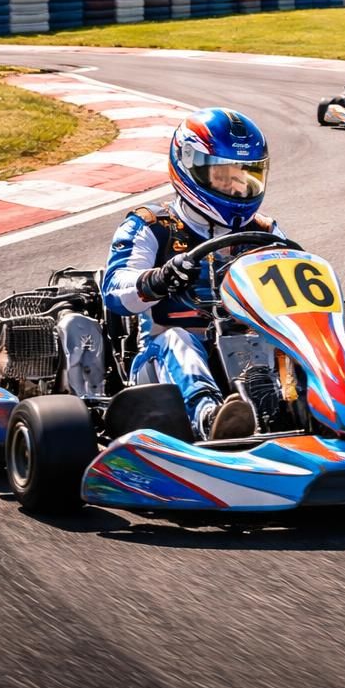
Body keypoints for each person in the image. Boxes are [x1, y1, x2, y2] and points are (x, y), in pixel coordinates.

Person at [102, 108, 277, 441]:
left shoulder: (264, 230)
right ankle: (210, 418)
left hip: (247, 353)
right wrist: (159, 279)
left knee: (313, 334)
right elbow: (114, 292)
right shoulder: (153, 225)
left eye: (244, 174)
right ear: (191, 167)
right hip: (162, 362)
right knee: (177, 339)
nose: (236, 186)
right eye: (223, 175)